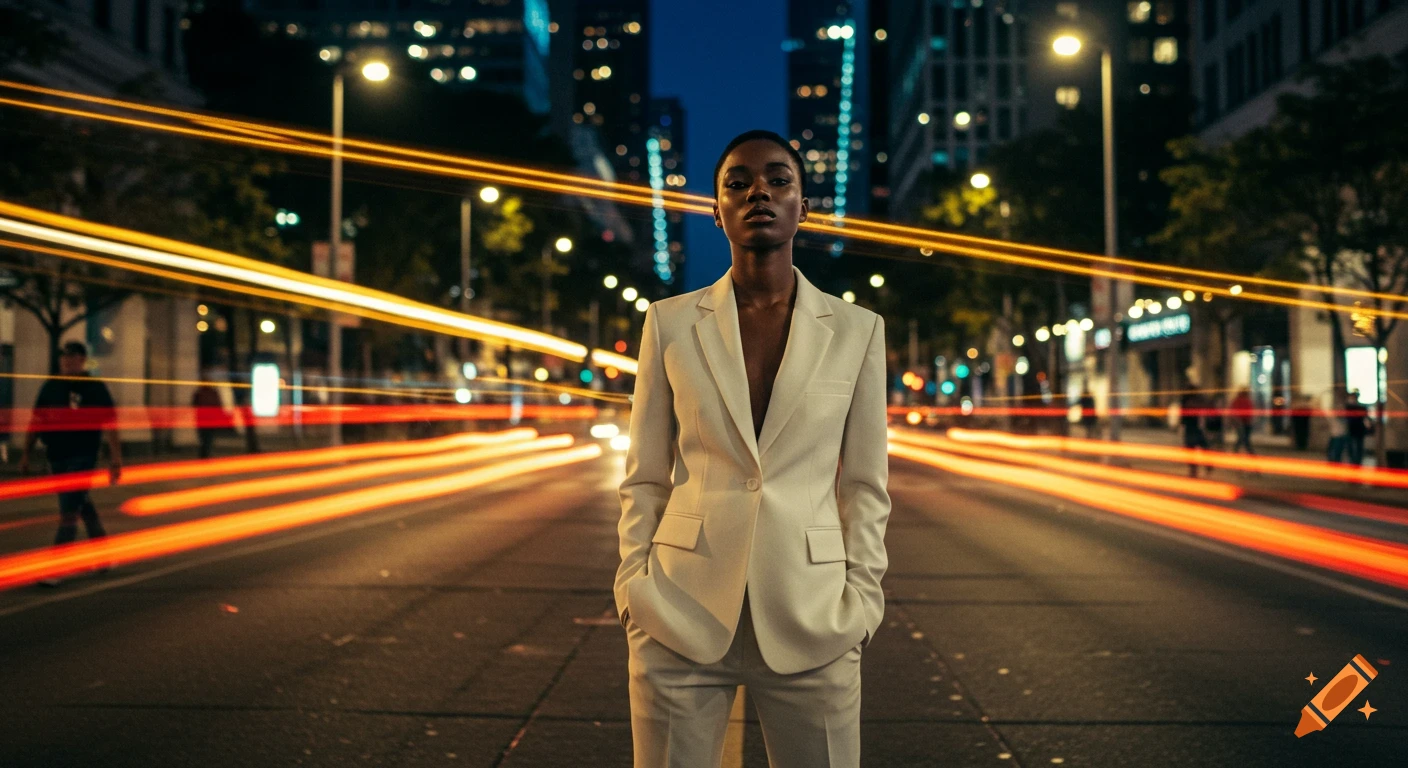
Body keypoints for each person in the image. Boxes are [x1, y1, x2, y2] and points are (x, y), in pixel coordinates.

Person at [615, 130, 890, 768]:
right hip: (678, 611)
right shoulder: (670, 322)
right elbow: (645, 476)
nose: (758, 191)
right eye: (738, 183)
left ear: (803, 206)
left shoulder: (857, 331)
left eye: (778, 180)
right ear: (717, 210)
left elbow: (865, 485)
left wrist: (862, 601)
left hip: (814, 617)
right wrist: (634, 587)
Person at [19, 341, 122, 584]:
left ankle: (56, 568)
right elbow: (36, 421)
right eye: (65, 357)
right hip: (57, 455)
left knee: (68, 511)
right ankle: (104, 554)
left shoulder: (94, 388)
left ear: (83, 360)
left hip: (84, 454)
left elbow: (110, 423)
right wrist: (26, 453)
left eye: (73, 357)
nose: (67, 361)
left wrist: (115, 458)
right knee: (81, 504)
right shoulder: (51, 386)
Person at [191, 374, 227, 459]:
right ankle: (206, 453)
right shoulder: (212, 393)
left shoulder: (199, 393)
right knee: (208, 437)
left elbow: (194, 405)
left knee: (204, 437)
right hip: (209, 419)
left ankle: (204, 453)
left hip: (202, 419)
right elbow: (218, 404)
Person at [1180, 390, 1212, 477]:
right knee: (1201, 447)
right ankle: (1203, 466)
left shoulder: (1186, 402)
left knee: (1192, 449)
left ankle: (1195, 469)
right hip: (1195, 429)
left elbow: (1183, 418)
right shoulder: (1195, 402)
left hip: (1191, 430)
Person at [1345, 392, 1371, 466]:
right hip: (1351, 429)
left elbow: (1366, 418)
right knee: (1352, 446)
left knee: (1358, 446)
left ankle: (1356, 462)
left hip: (1358, 429)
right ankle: (1354, 461)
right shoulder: (1349, 407)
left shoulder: (1360, 407)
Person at [1324, 387, 1349, 462]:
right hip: (1337, 433)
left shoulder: (1340, 406)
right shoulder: (1336, 406)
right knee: (1334, 451)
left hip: (1339, 433)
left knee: (1336, 452)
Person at [1229, 388, 1256, 455]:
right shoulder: (1240, 400)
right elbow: (1234, 411)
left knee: (1243, 437)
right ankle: (1249, 452)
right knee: (1244, 438)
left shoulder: (1245, 400)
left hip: (1245, 422)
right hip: (1242, 422)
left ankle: (1238, 451)